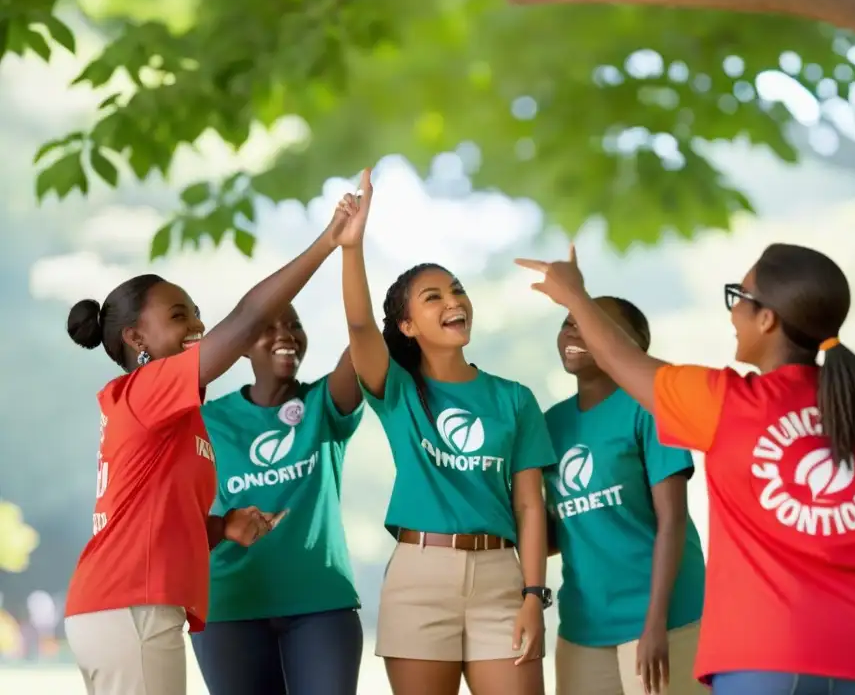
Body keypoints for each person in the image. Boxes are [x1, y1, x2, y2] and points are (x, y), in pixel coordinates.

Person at [516, 243, 855, 695]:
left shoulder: (726, 404)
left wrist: (574, 296)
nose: (731, 312)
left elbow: (622, 360)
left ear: (767, 319)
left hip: (760, 659)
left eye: (737, 297)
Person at [62, 198, 351, 695]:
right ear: (137, 338)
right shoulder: (148, 389)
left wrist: (220, 527)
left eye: (197, 312)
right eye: (179, 316)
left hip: (122, 607)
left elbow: (156, 520)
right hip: (131, 607)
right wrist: (329, 241)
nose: (198, 326)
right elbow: (248, 317)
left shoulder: (169, 414)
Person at [337, 170, 557, 695]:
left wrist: (534, 595)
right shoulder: (396, 389)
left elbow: (529, 506)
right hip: (419, 579)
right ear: (408, 325)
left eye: (455, 290)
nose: (452, 300)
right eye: (432, 297)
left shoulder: (513, 398)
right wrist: (351, 246)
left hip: (502, 580)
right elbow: (362, 327)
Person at [190, 303, 365, 695]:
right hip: (230, 604)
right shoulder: (207, 420)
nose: (286, 335)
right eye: (268, 328)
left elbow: (363, 335)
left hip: (320, 603)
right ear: (242, 346)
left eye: (294, 326)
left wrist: (350, 251)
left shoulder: (326, 404)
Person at [545, 296, 706, 695]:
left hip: (666, 621)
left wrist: (654, 625)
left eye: (588, 322)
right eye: (568, 322)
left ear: (633, 344)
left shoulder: (649, 408)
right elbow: (559, 532)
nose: (572, 332)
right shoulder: (551, 425)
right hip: (583, 629)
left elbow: (673, 520)